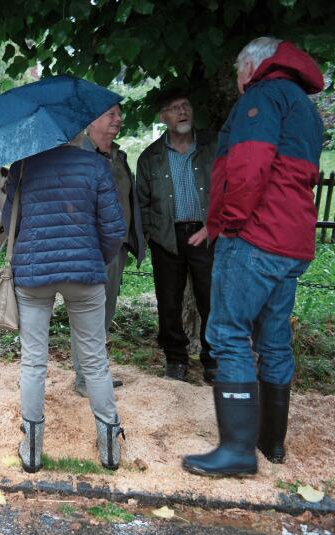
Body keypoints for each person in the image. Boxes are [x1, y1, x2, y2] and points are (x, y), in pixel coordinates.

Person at [182, 37, 324, 477]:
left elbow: (248, 167)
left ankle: (237, 451)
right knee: (275, 339)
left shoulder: (263, 97)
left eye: (239, 73)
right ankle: (271, 443)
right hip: (290, 239)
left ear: (251, 66)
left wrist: (229, 221)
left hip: (256, 237)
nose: (238, 83)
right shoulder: (304, 106)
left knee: (227, 332)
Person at [2, 143, 127, 472]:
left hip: (33, 274)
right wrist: (95, 258)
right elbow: (114, 229)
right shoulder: (94, 165)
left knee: (32, 362)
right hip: (85, 275)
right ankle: (110, 447)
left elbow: (9, 223)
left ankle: (31, 449)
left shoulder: (23, 166)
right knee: (95, 361)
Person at [136, 90, 218, 382]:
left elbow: (227, 189)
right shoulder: (150, 158)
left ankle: (212, 361)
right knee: (168, 301)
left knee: (210, 299)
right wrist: (150, 235)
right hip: (166, 237)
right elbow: (142, 202)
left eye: (185, 106)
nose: (181, 112)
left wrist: (213, 226)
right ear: (164, 117)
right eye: (173, 108)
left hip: (206, 234)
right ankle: (176, 360)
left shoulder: (212, 148)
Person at [72, 105, 146, 397]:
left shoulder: (118, 156)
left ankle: (94, 373)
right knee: (86, 314)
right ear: (92, 121)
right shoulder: (78, 156)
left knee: (104, 313)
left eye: (119, 114)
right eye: (110, 114)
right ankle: (83, 379)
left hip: (116, 248)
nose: (118, 120)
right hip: (88, 248)